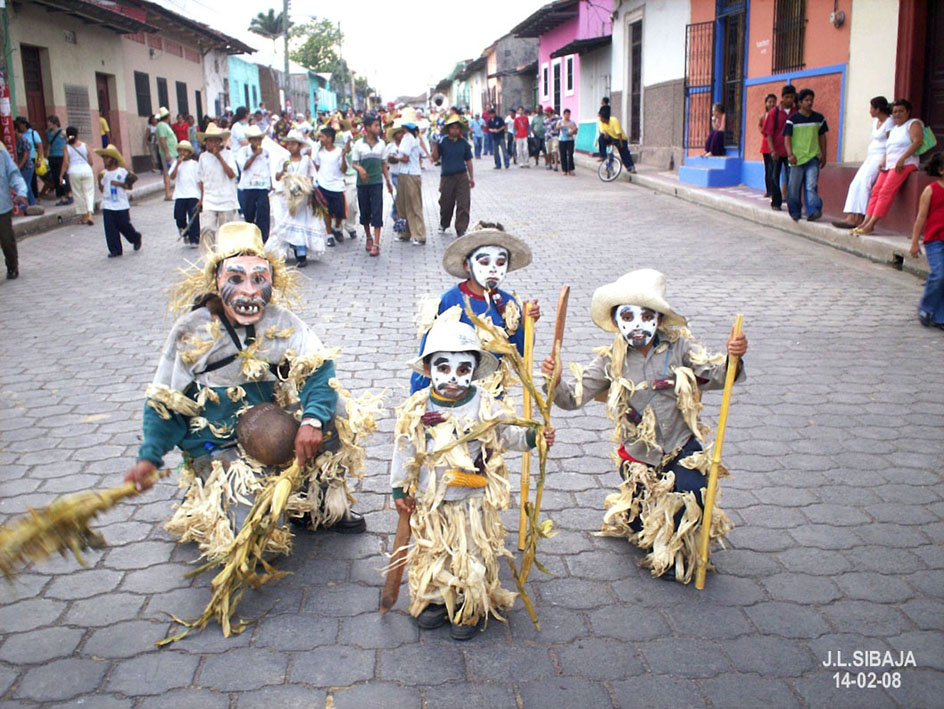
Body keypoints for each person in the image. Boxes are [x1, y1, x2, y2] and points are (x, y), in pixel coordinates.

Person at [123, 222, 371, 561]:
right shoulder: (191, 331)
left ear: (272, 281)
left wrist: (312, 420)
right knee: (257, 541)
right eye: (235, 279)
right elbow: (165, 403)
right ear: (216, 281)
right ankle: (212, 494)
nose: (250, 291)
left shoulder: (282, 322)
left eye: (259, 279)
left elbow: (319, 370)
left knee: (337, 409)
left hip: (272, 427)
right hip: (222, 447)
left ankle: (318, 504)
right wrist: (149, 457)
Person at [541, 269, 747, 583]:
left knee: (691, 492)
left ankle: (676, 553)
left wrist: (734, 359)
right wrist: (553, 382)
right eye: (628, 317)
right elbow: (571, 398)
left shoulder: (680, 349)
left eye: (646, 316)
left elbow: (717, 377)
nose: (637, 325)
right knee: (640, 524)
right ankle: (639, 514)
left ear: (659, 320)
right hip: (639, 454)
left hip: (680, 445)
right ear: (615, 322)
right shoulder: (611, 360)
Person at [391, 317, 555, 640]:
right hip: (432, 502)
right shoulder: (418, 408)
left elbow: (505, 433)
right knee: (436, 552)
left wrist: (534, 437)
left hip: (472, 503)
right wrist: (399, 485)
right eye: (443, 367)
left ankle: (468, 605)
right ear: (428, 368)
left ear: (473, 370)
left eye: (463, 369)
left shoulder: (484, 404)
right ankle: (436, 599)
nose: (452, 378)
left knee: (472, 555)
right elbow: (404, 447)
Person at [410, 222, 538, 394]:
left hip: (491, 395)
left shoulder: (508, 305)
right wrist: (418, 399)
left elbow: (521, 352)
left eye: (500, 263)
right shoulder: (449, 302)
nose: (493, 268)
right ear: (467, 265)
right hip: (452, 392)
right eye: (484, 262)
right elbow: (427, 354)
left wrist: (525, 324)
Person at [853, 99, 925, 236]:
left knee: (886, 192)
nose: (897, 114)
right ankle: (865, 222)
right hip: (889, 164)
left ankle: (871, 224)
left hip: (905, 164)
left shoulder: (913, 124)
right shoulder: (894, 129)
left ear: (908, 112)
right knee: (876, 191)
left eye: (901, 111)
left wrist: (902, 159)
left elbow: (917, 142)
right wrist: (883, 160)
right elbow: (889, 147)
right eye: (895, 111)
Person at [832, 97, 894, 229]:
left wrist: (885, 158)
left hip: (880, 157)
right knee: (856, 183)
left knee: (866, 183)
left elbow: (890, 143)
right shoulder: (876, 122)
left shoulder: (889, 123)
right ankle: (851, 215)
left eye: (872, 108)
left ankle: (861, 217)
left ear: (878, 109)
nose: (870, 111)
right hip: (870, 156)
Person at [270, 129, 325, 267]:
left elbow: (312, 175)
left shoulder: (306, 160)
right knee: (286, 222)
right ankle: (282, 252)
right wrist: (283, 170)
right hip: (287, 198)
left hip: (301, 198)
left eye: (293, 144)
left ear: (300, 146)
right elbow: (277, 177)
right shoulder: (284, 160)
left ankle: (301, 254)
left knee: (301, 223)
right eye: (289, 144)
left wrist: (306, 185)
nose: (290, 147)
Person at [910, 153, 944, 329]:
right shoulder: (931, 190)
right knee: (939, 275)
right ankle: (926, 306)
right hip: (935, 240)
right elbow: (921, 218)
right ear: (940, 170)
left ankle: (940, 316)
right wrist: (915, 242)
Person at [784, 88, 828, 222]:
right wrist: (790, 154)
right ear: (800, 102)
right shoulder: (792, 120)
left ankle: (813, 210)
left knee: (811, 186)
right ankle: (795, 211)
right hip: (797, 159)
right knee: (794, 188)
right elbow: (787, 138)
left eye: (811, 100)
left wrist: (823, 154)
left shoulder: (819, 119)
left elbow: (822, 137)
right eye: (806, 100)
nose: (810, 103)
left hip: (812, 158)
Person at [351, 114, 392, 257]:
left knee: (377, 211)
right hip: (362, 184)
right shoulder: (358, 144)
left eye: (379, 125)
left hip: (376, 183)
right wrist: (360, 169)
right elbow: (354, 163)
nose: (378, 128)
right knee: (365, 211)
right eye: (375, 125)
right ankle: (368, 236)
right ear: (367, 127)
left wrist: (388, 181)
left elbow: (383, 163)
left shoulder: (382, 144)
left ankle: (376, 243)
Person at [196, 122, 239, 248]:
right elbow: (201, 179)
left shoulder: (228, 155)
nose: (213, 144)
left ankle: (225, 258)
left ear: (220, 141)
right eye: (210, 141)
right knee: (207, 229)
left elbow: (232, 174)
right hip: (210, 199)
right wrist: (202, 198)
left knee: (226, 232)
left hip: (226, 199)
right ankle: (210, 259)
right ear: (206, 142)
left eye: (215, 141)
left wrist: (219, 157)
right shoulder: (203, 157)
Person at [95, 144, 141, 258]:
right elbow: (102, 189)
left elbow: (130, 187)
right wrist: (99, 180)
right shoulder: (104, 174)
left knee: (123, 225)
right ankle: (115, 249)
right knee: (110, 228)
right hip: (108, 203)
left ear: (113, 159)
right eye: (104, 158)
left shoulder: (122, 172)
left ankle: (135, 238)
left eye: (107, 157)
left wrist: (119, 184)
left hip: (121, 204)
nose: (105, 160)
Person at [432, 115, 474, 238]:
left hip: (461, 175)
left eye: (457, 128)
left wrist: (471, 178)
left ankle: (461, 228)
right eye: (452, 128)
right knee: (446, 202)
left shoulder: (464, 143)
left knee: (463, 203)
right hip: (447, 177)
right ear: (448, 129)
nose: (455, 130)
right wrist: (435, 144)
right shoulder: (443, 142)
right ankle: (444, 223)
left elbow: (469, 161)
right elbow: (435, 157)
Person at [762, 85, 797, 211]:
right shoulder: (774, 113)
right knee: (774, 176)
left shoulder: (797, 111)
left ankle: (791, 201)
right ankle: (776, 201)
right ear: (782, 98)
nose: (789, 100)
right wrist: (772, 150)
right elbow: (769, 133)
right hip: (777, 150)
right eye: (787, 97)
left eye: (791, 97)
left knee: (791, 178)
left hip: (791, 151)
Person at [235, 125, 272, 243]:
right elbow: (244, 167)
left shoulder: (265, 152)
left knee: (263, 212)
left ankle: (263, 238)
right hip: (248, 186)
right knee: (249, 212)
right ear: (250, 140)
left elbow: (267, 168)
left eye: (259, 139)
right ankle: (250, 238)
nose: (257, 142)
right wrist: (254, 155)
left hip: (261, 186)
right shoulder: (243, 151)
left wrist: (269, 183)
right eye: (255, 140)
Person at [313, 126, 349, 248]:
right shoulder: (319, 152)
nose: (320, 139)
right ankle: (329, 235)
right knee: (326, 211)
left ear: (329, 138)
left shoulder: (339, 151)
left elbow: (344, 169)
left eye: (322, 137)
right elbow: (315, 164)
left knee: (340, 213)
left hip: (337, 186)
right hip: (323, 185)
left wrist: (344, 156)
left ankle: (336, 227)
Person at [395, 117, 427, 245]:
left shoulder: (407, 138)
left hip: (410, 174)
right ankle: (404, 233)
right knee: (403, 206)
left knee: (412, 206)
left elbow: (405, 157)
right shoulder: (415, 139)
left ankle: (418, 235)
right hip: (406, 173)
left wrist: (394, 157)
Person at [0, 146, 29, 279]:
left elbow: (14, 174)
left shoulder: (1, 153)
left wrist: (21, 192)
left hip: (2, 206)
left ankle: (12, 265)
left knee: (6, 239)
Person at [61, 126, 95, 226]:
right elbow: (91, 162)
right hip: (87, 171)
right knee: (89, 193)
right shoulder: (85, 145)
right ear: (77, 135)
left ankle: (84, 217)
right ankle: (90, 214)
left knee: (78, 194)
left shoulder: (67, 147)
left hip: (74, 172)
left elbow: (65, 163)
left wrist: (61, 175)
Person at [170, 140, 201, 247]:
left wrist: (202, 196)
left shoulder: (195, 165)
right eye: (180, 151)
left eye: (185, 151)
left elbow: (199, 181)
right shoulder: (176, 164)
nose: (182, 153)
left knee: (193, 217)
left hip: (193, 194)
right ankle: (185, 231)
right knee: (179, 216)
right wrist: (177, 165)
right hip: (180, 194)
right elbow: (172, 177)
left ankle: (195, 239)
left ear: (189, 152)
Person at [598, 105, 636, 173]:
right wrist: (605, 134)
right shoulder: (601, 122)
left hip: (620, 138)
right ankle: (603, 155)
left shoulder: (614, 121)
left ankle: (630, 167)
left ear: (605, 118)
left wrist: (621, 144)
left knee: (624, 153)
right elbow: (603, 130)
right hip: (611, 137)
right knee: (601, 138)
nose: (600, 118)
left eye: (601, 117)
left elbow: (619, 134)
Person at [155, 107, 178, 201]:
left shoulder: (164, 125)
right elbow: (162, 140)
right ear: (167, 116)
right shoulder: (162, 126)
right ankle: (167, 193)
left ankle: (170, 192)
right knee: (168, 172)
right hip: (169, 153)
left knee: (171, 171)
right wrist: (167, 153)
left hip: (172, 152)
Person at [46, 115, 70, 204]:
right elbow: (48, 143)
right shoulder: (48, 133)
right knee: (56, 177)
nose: (48, 124)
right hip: (52, 156)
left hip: (61, 156)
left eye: (50, 122)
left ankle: (67, 192)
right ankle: (61, 196)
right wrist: (47, 154)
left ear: (55, 123)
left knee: (62, 176)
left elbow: (69, 142)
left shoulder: (62, 132)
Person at [14, 117, 36, 207]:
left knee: (25, 185)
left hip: (27, 167)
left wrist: (19, 166)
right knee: (28, 187)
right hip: (19, 167)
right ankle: (32, 204)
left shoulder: (23, 140)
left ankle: (23, 206)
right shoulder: (13, 141)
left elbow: (26, 155)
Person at [759, 94, 778, 197]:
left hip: (775, 146)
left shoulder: (777, 115)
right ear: (766, 103)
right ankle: (768, 190)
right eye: (769, 102)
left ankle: (774, 190)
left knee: (774, 169)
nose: (771, 104)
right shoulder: (763, 116)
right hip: (765, 146)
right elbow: (760, 127)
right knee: (768, 169)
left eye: (773, 102)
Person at [559, 108, 577, 176]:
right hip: (562, 140)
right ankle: (564, 170)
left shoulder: (572, 122)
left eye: (569, 114)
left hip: (570, 140)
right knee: (563, 155)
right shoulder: (560, 122)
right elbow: (557, 127)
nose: (567, 116)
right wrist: (564, 126)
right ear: (564, 115)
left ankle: (571, 169)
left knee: (570, 154)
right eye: (566, 114)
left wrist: (573, 130)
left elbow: (576, 132)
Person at [544, 107, 560, 172]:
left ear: (550, 111)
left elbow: (560, 123)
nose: (545, 113)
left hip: (555, 135)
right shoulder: (545, 119)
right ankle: (550, 164)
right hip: (548, 136)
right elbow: (544, 126)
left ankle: (556, 164)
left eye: (546, 111)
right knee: (548, 151)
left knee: (555, 150)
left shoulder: (556, 118)